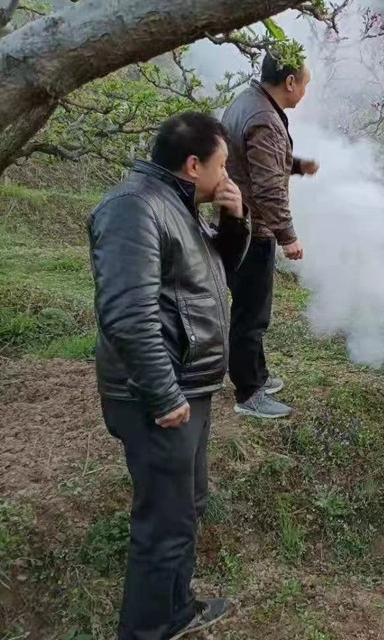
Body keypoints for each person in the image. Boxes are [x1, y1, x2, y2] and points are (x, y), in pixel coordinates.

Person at [88, 112, 251, 638]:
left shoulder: (176, 204)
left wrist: (233, 220)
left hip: (188, 386)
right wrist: (162, 394)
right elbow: (127, 314)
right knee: (163, 523)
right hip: (157, 394)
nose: (227, 176)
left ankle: (176, 611)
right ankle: (147, 630)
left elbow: (212, 272)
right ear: (193, 164)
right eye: (223, 165)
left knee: (185, 508)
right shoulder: (133, 207)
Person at [221, 52, 318, 419]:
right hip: (253, 229)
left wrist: (297, 165)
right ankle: (249, 392)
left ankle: (255, 374)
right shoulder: (264, 118)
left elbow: (256, 161)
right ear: (290, 82)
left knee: (248, 308)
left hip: (237, 221)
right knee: (252, 314)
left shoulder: (248, 102)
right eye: (304, 84)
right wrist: (287, 236)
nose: (304, 93)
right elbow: (266, 188)